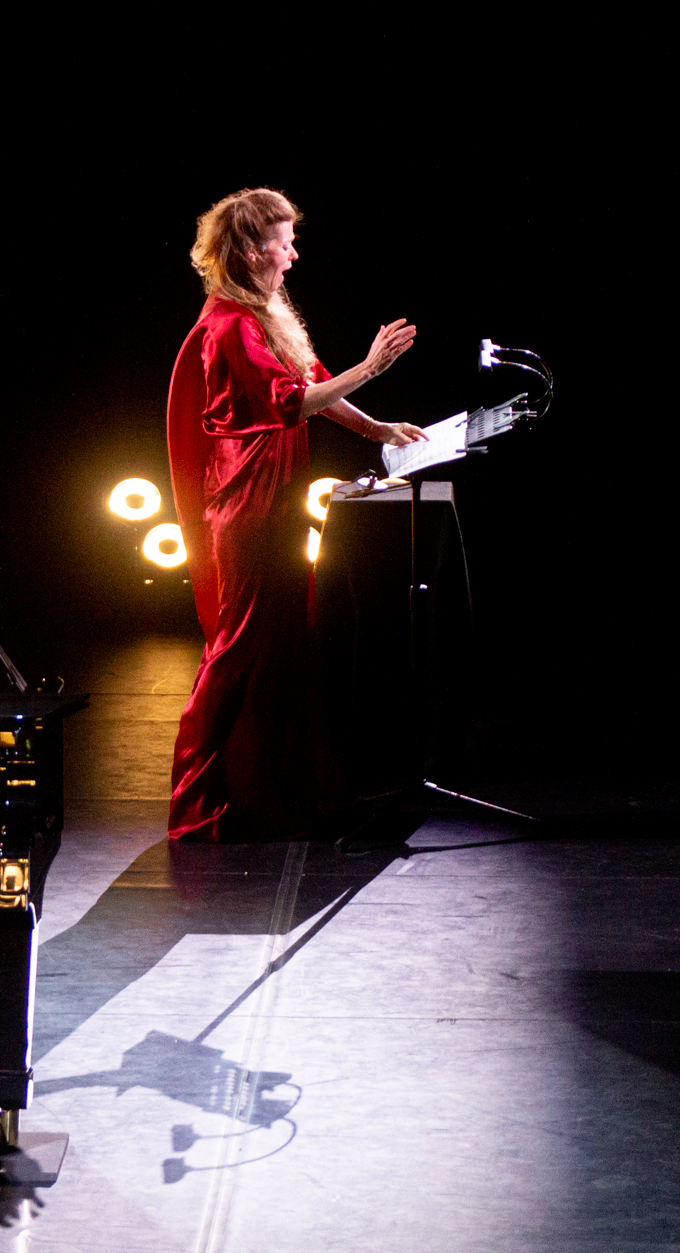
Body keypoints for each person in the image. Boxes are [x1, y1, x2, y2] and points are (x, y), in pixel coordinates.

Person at [166, 188, 424, 841]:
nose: (292, 254)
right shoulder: (230, 325)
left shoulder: (261, 312)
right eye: (283, 242)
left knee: (282, 647)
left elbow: (311, 380)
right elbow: (290, 402)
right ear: (253, 251)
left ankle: (274, 792)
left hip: (273, 500)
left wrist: (377, 429)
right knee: (235, 651)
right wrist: (370, 368)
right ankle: (193, 804)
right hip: (249, 507)